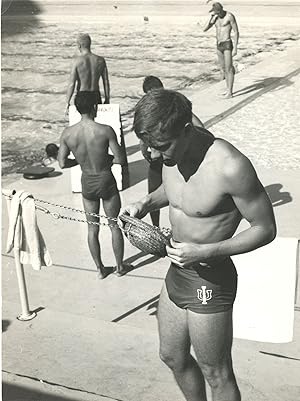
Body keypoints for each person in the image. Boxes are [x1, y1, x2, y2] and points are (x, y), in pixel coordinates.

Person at [120, 89, 276, 401]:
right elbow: (177, 191)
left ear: (187, 131)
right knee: (172, 356)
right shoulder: (170, 151)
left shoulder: (230, 166)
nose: (152, 154)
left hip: (210, 276)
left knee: (216, 371)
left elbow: (265, 229)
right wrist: (145, 202)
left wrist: (206, 251)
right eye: (147, 146)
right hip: (177, 272)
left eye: (160, 147)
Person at [58, 92, 130, 278]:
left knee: (92, 227)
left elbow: (62, 163)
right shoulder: (105, 130)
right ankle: (120, 267)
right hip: (105, 178)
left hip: (87, 181)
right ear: (94, 107)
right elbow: (121, 159)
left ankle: (100, 270)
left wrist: (80, 163)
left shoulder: (68, 133)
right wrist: (106, 159)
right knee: (114, 225)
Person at [140, 76, 205, 227]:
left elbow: (200, 129)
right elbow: (201, 128)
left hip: (165, 159)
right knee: (156, 196)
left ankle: (158, 226)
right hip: (160, 160)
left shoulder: (173, 108)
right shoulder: (157, 110)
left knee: (173, 195)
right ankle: (156, 227)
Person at [65, 33, 110, 117]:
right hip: (95, 95)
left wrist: (67, 102)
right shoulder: (100, 60)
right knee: (95, 121)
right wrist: (107, 98)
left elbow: (72, 84)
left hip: (82, 96)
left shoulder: (77, 61)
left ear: (79, 46)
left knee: (82, 122)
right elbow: (106, 82)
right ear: (90, 44)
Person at [203, 2, 239, 98]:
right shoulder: (215, 18)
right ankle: (227, 89)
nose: (216, 14)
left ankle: (230, 93)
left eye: (217, 12)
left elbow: (236, 32)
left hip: (227, 43)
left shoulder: (229, 16)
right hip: (219, 44)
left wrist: (235, 48)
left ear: (221, 10)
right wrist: (211, 18)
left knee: (229, 68)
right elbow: (205, 29)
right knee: (223, 69)